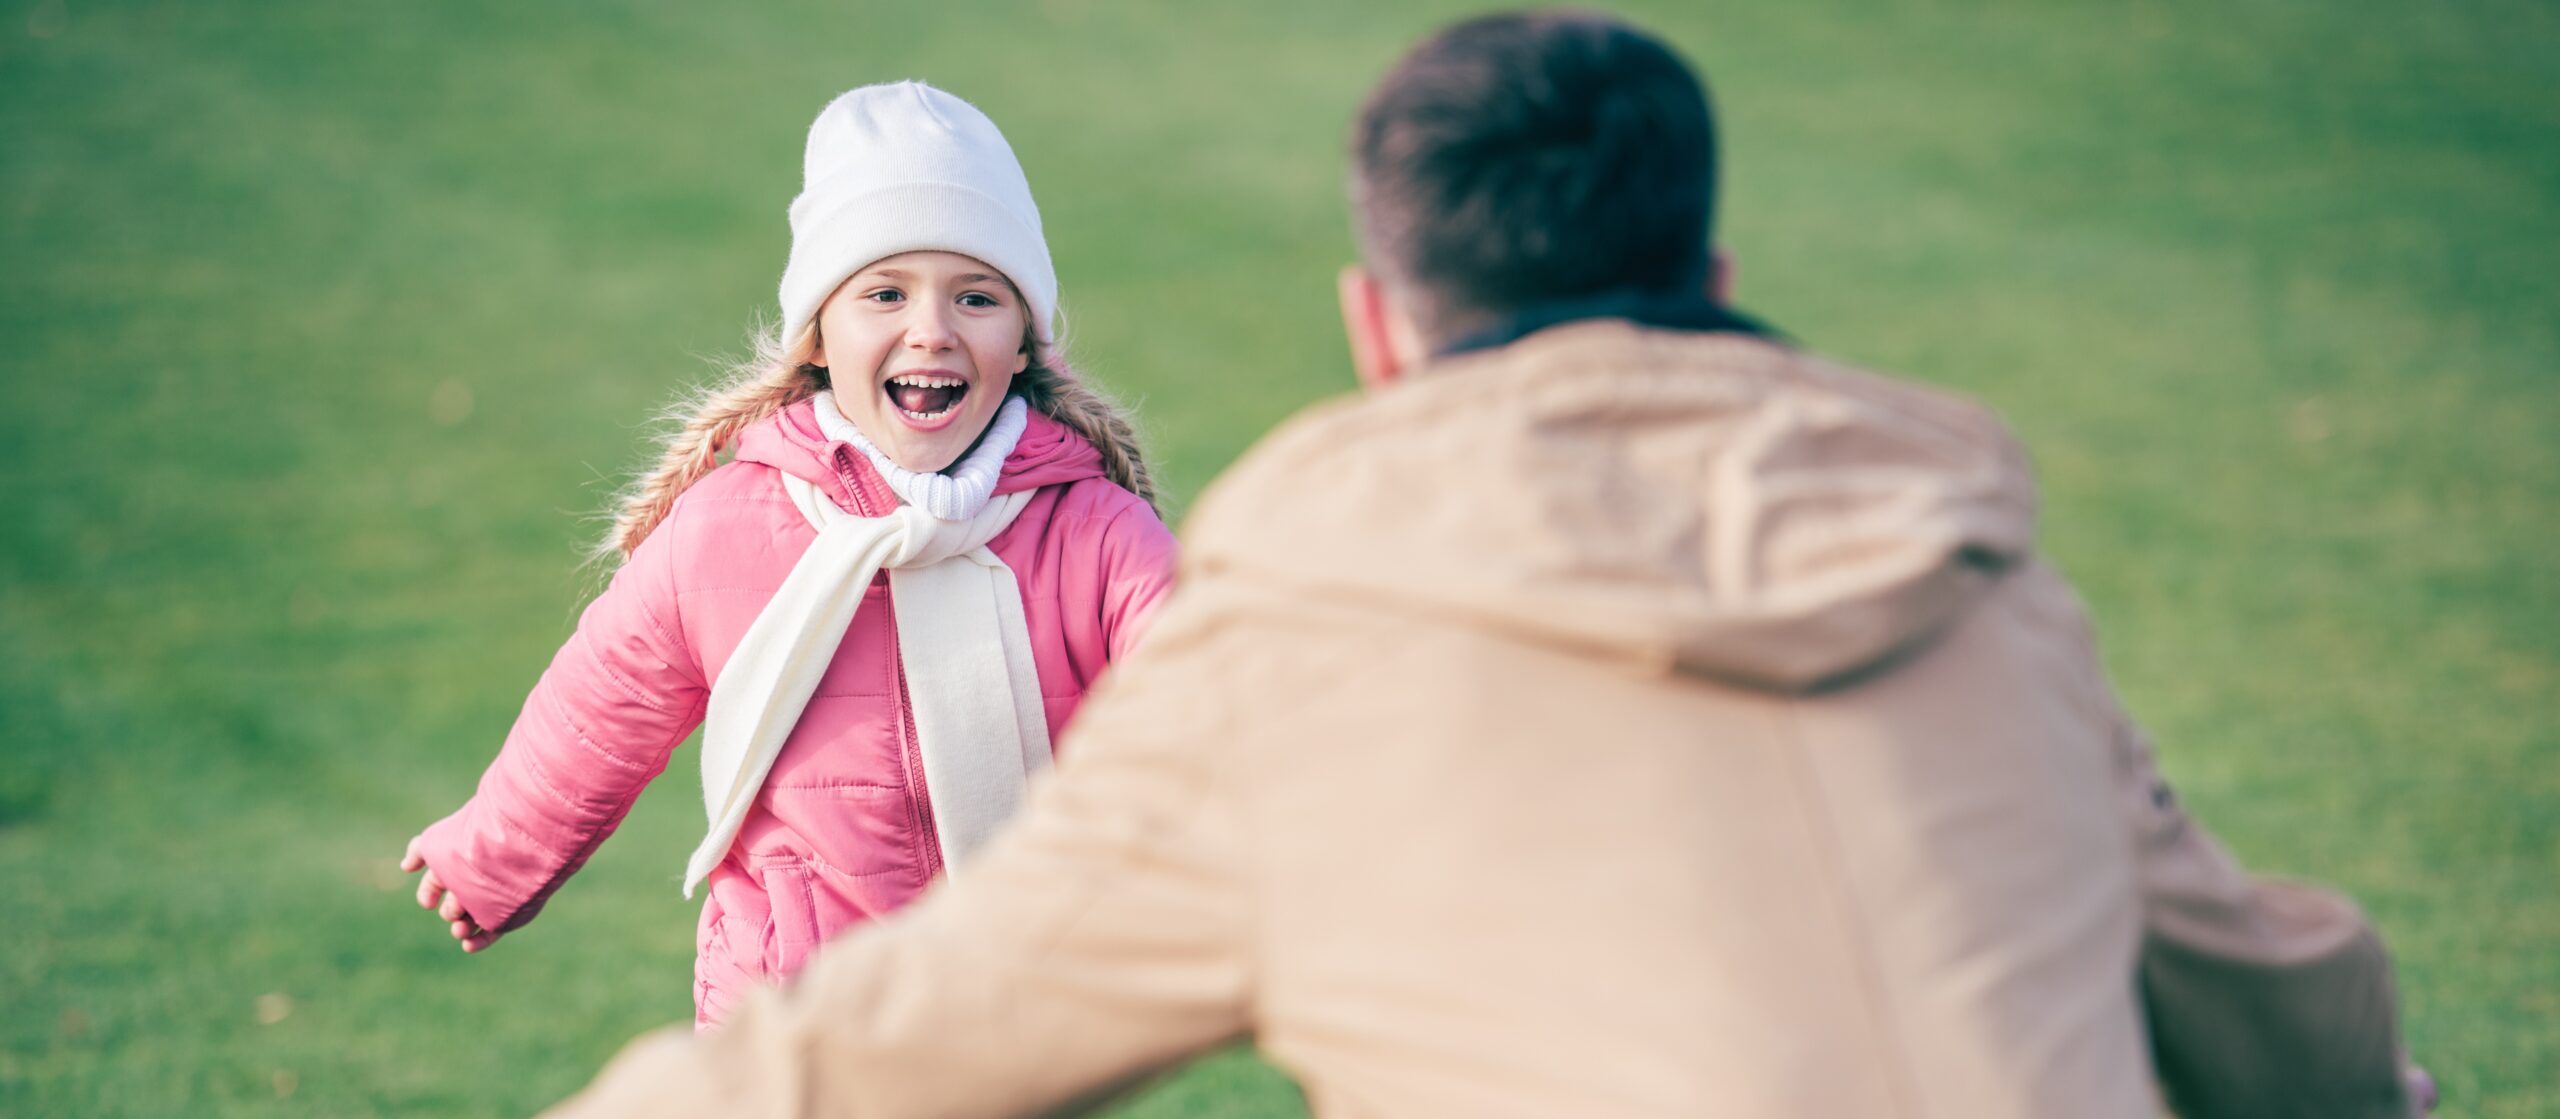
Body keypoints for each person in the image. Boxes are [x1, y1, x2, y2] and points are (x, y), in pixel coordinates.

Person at [538, 12, 2428, 1117]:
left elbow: (903, 1036)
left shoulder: (1305, 634)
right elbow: (2291, 1002)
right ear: (1711, 284)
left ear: (1380, 327)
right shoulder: (1984, 587)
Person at [397, 80, 1178, 1029]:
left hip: (1008, 1014)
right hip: (780, 1012)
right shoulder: (727, 528)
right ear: (817, 336)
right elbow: (603, 703)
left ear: (1023, 344)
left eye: (977, 297)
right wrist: (493, 854)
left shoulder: (1092, 533)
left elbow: (1212, 686)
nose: (932, 329)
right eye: (884, 294)